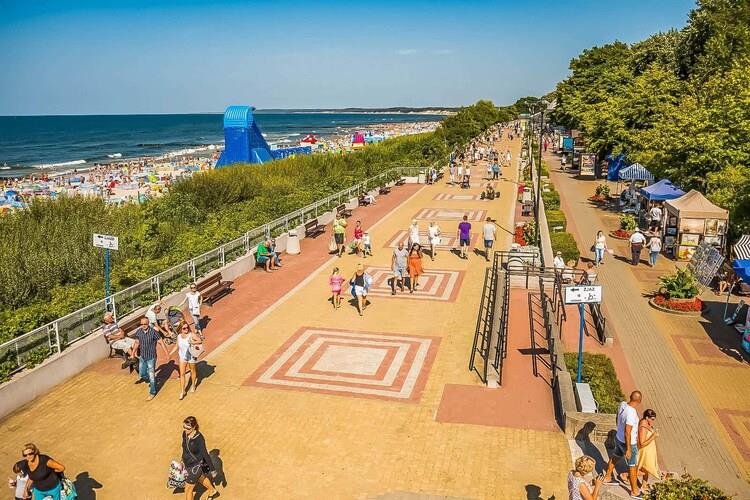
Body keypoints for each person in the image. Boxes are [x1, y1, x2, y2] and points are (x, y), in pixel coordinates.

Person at [604, 391, 643, 498]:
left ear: (630, 397)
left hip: (619, 438)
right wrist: (629, 449)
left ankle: (607, 477)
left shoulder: (622, 404)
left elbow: (617, 418)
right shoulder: (631, 413)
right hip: (629, 443)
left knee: (615, 457)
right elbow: (628, 432)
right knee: (632, 466)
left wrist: (619, 429)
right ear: (639, 401)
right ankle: (635, 491)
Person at [132, 316, 171, 401]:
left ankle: (152, 392)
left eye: (145, 324)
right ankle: (152, 380)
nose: (143, 325)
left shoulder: (154, 333)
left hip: (151, 357)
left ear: (148, 323)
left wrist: (167, 354)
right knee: (142, 374)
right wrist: (132, 353)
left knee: (151, 375)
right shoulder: (139, 332)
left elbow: (161, 343)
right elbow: (137, 343)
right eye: (142, 324)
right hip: (142, 357)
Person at [181, 416, 218, 500]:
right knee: (200, 478)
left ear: (194, 427)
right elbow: (185, 448)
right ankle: (212, 491)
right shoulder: (184, 434)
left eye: (188, 428)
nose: (185, 430)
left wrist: (212, 469)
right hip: (188, 464)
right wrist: (182, 458)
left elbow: (205, 454)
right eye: (184, 427)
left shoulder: (199, 439)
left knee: (188, 489)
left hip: (196, 466)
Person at [168, 320, 204, 400]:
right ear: (181, 329)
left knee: (192, 371)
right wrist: (170, 353)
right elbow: (176, 346)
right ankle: (182, 391)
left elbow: (200, 340)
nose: (186, 329)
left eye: (187, 327)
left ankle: (193, 385)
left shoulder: (191, 335)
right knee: (182, 374)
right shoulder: (179, 336)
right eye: (184, 328)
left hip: (191, 356)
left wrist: (193, 343)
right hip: (182, 357)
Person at [633, 409, 660, 492]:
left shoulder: (647, 423)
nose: (652, 421)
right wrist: (653, 436)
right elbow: (642, 443)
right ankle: (626, 475)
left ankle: (644, 486)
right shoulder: (643, 427)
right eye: (652, 419)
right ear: (647, 417)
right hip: (645, 451)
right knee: (646, 469)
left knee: (646, 469)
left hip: (649, 451)